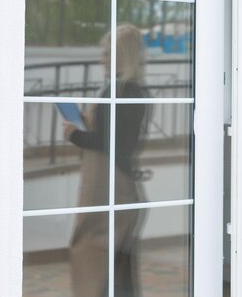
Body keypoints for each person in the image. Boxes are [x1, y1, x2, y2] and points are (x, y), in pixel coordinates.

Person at [63, 24, 150, 297]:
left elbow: (112, 143)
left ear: (120, 56)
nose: (101, 60)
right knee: (116, 267)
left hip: (114, 187)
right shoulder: (122, 89)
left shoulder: (126, 92)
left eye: (107, 54)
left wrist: (75, 134)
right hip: (110, 185)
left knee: (99, 258)